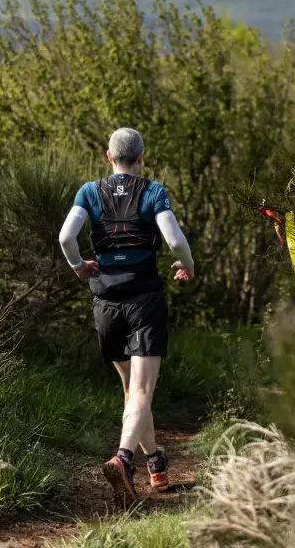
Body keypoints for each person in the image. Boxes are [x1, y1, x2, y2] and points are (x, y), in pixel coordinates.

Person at [58, 128, 195, 503]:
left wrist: (77, 267)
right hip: (143, 297)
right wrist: (187, 264)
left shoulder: (90, 192)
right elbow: (174, 240)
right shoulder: (152, 192)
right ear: (141, 157)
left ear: (108, 156)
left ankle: (155, 460)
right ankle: (123, 458)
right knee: (142, 391)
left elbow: (65, 237)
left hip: (105, 301)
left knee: (132, 391)